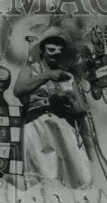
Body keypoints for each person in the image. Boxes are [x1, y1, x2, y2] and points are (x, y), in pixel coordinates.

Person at [13, 27, 92, 188]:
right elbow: (18, 89)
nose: (56, 53)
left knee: (74, 175)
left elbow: (81, 110)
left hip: (62, 128)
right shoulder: (30, 70)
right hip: (38, 128)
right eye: (51, 49)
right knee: (44, 176)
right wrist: (47, 76)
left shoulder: (67, 76)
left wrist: (67, 104)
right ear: (42, 50)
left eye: (59, 50)